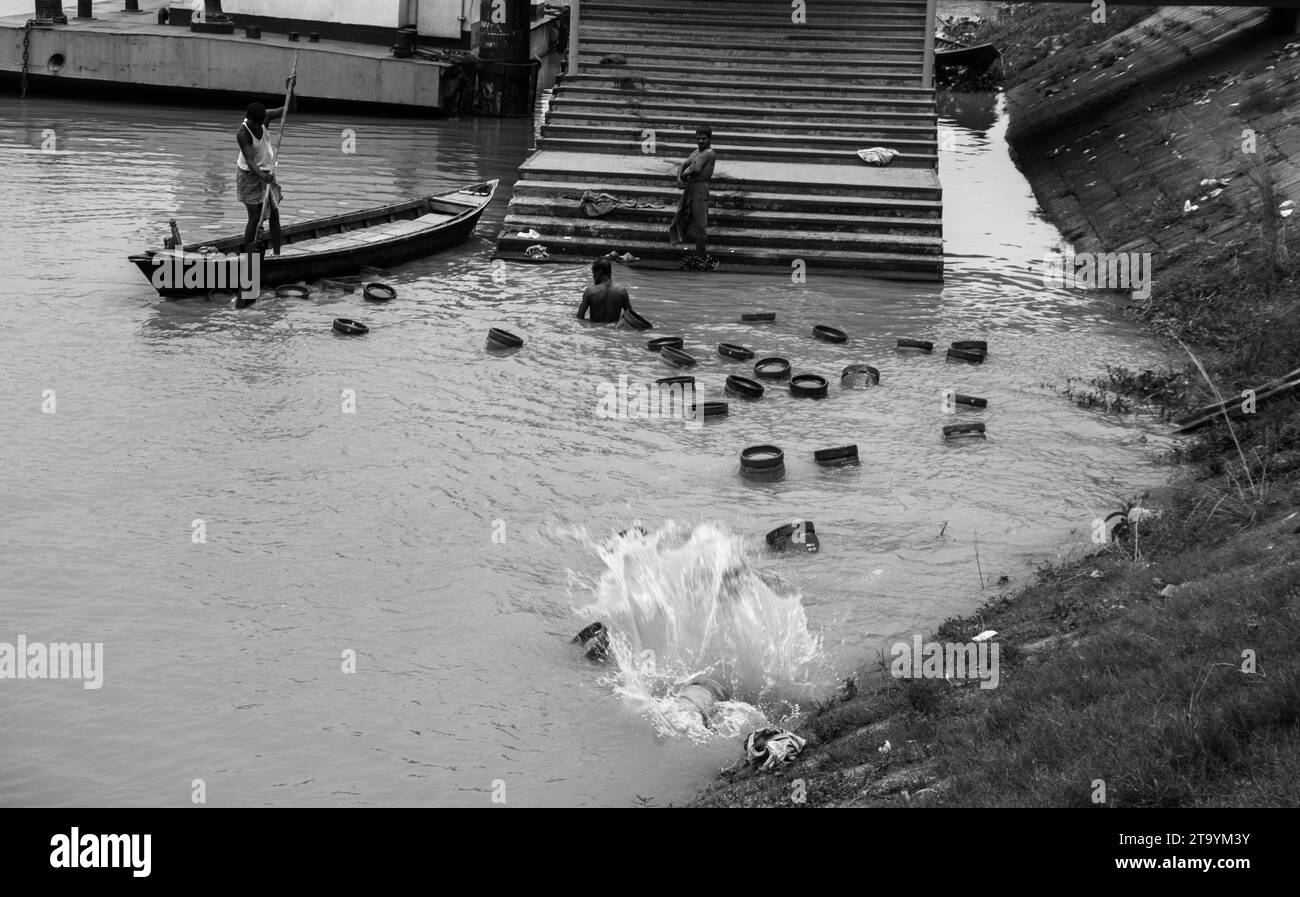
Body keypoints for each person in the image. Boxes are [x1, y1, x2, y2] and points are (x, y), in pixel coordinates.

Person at [236, 74, 296, 254]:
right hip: (250, 177)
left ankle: (277, 254)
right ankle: (248, 255)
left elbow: (290, 109)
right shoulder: (243, 133)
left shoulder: (265, 118)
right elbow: (250, 161)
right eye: (255, 123)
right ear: (249, 119)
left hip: (267, 174)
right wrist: (263, 176)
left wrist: (290, 90)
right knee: (254, 218)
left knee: (275, 214)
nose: (257, 126)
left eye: (260, 123)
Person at [669, 125, 718, 270]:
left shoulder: (709, 153)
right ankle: (698, 256)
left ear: (709, 139)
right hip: (691, 188)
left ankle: (701, 258)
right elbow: (684, 164)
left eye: (703, 138)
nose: (700, 141)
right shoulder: (697, 152)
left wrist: (684, 175)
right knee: (684, 217)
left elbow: (696, 169)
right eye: (698, 139)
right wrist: (679, 178)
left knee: (701, 224)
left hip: (701, 189)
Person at [577, 258, 633, 323]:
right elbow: (631, 318)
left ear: (599, 271)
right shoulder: (622, 291)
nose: (593, 276)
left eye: (593, 272)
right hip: (614, 331)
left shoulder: (590, 291)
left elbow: (579, 318)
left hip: (594, 330)